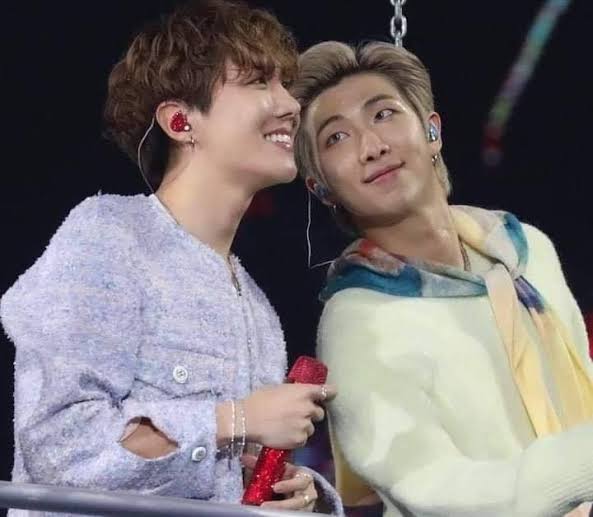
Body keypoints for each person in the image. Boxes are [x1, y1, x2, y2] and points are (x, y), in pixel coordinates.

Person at [0, 2, 343, 515]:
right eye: (259, 82)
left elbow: (206, 473)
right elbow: (59, 445)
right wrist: (237, 420)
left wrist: (293, 491)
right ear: (181, 121)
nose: (291, 104)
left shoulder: (258, 309)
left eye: (285, 85)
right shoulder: (109, 235)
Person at [291, 40, 593, 517]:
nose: (372, 147)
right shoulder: (358, 320)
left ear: (432, 130)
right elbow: (432, 489)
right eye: (337, 138)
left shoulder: (526, 250)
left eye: (384, 114)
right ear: (321, 187)